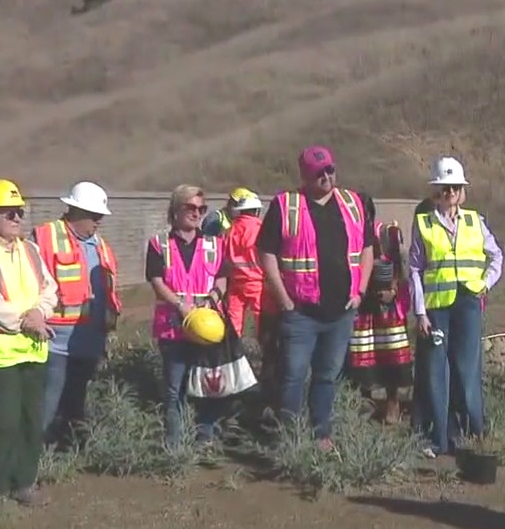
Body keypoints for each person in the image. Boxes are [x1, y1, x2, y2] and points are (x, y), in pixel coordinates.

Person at [257, 145, 374, 450]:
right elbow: (266, 252)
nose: (326, 177)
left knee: (327, 376)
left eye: (330, 170)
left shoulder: (353, 202)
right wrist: (283, 299)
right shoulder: (286, 205)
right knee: (293, 376)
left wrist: (360, 291)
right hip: (301, 312)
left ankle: (321, 434)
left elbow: (367, 249)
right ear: (305, 174)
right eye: (319, 172)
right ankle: (289, 437)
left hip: (341, 311)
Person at [0, 179, 58, 514]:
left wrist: (39, 311)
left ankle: (24, 483)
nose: (17, 217)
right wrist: (26, 320)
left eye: (19, 212)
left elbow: (50, 288)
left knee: (31, 421)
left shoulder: (31, 250)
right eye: (9, 212)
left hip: (33, 351)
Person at [409, 156, 504, 458]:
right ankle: (439, 437)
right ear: (435, 192)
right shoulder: (423, 223)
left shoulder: (475, 221)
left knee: (467, 370)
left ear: (462, 191)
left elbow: (497, 256)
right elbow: (414, 269)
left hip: (467, 303)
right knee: (437, 372)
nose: (450, 193)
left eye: (455, 187)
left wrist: (485, 284)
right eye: (444, 188)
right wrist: (420, 311)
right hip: (437, 308)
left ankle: (473, 432)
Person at [32, 181, 120, 444]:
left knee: (75, 402)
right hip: (54, 343)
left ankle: (66, 451)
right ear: (75, 211)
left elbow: (109, 290)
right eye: (94, 215)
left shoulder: (100, 245)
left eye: (100, 216)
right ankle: (35, 456)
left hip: (89, 342)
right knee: (48, 402)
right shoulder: (44, 237)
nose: (99, 221)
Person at [145, 184, 228, 448]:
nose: (197, 213)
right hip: (173, 326)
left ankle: (205, 438)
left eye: (201, 209)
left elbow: (223, 278)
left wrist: (213, 298)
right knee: (175, 389)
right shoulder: (159, 244)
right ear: (176, 210)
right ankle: (175, 444)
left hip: (207, 327)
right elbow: (156, 280)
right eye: (191, 208)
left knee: (207, 386)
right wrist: (180, 304)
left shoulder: (215, 244)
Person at [345, 209, 412, 424]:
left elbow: (401, 264)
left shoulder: (388, 234)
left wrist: (393, 290)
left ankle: (393, 402)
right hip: (361, 302)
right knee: (361, 354)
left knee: (391, 351)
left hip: (386, 304)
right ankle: (366, 402)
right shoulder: (347, 233)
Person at [223, 192, 264, 336]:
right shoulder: (260, 229)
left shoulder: (230, 230)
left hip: (235, 282)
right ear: (256, 211)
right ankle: (266, 350)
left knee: (234, 319)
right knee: (262, 319)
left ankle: (232, 353)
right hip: (257, 281)